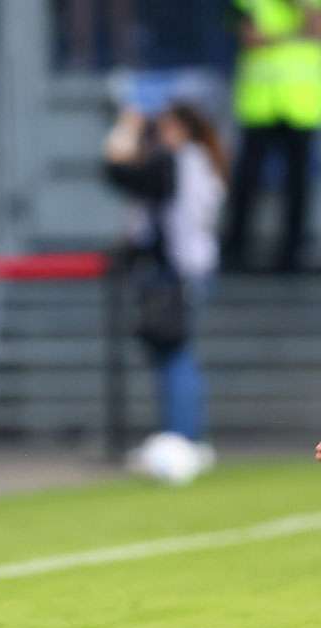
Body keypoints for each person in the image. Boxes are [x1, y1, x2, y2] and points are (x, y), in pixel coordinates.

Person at [104, 105, 227, 452]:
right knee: (172, 355)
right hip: (188, 266)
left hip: (179, 270)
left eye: (166, 128)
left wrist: (126, 127)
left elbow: (116, 167)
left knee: (176, 355)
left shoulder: (175, 162)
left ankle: (184, 438)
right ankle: (182, 435)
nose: (159, 136)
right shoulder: (199, 161)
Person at [224, 0, 321, 272]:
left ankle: (293, 253)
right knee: (247, 182)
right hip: (260, 104)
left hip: (300, 104)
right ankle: (235, 250)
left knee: (298, 186)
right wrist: (295, 32)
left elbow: (316, 28)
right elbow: (251, 37)